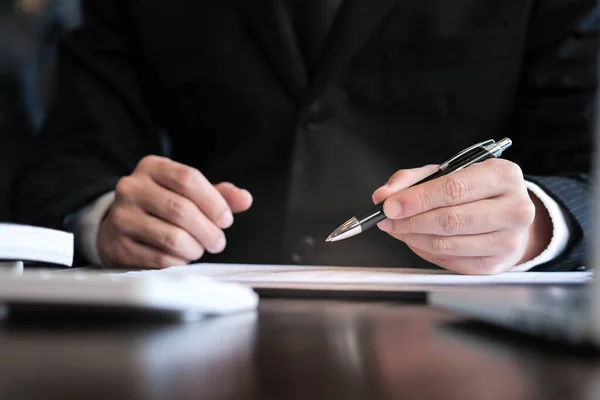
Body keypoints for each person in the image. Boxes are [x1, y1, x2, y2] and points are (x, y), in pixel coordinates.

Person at [10, 0, 598, 274]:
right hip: (200, 339)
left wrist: (538, 225)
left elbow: (588, 172)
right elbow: (62, 169)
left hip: (457, 347)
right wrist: (106, 217)